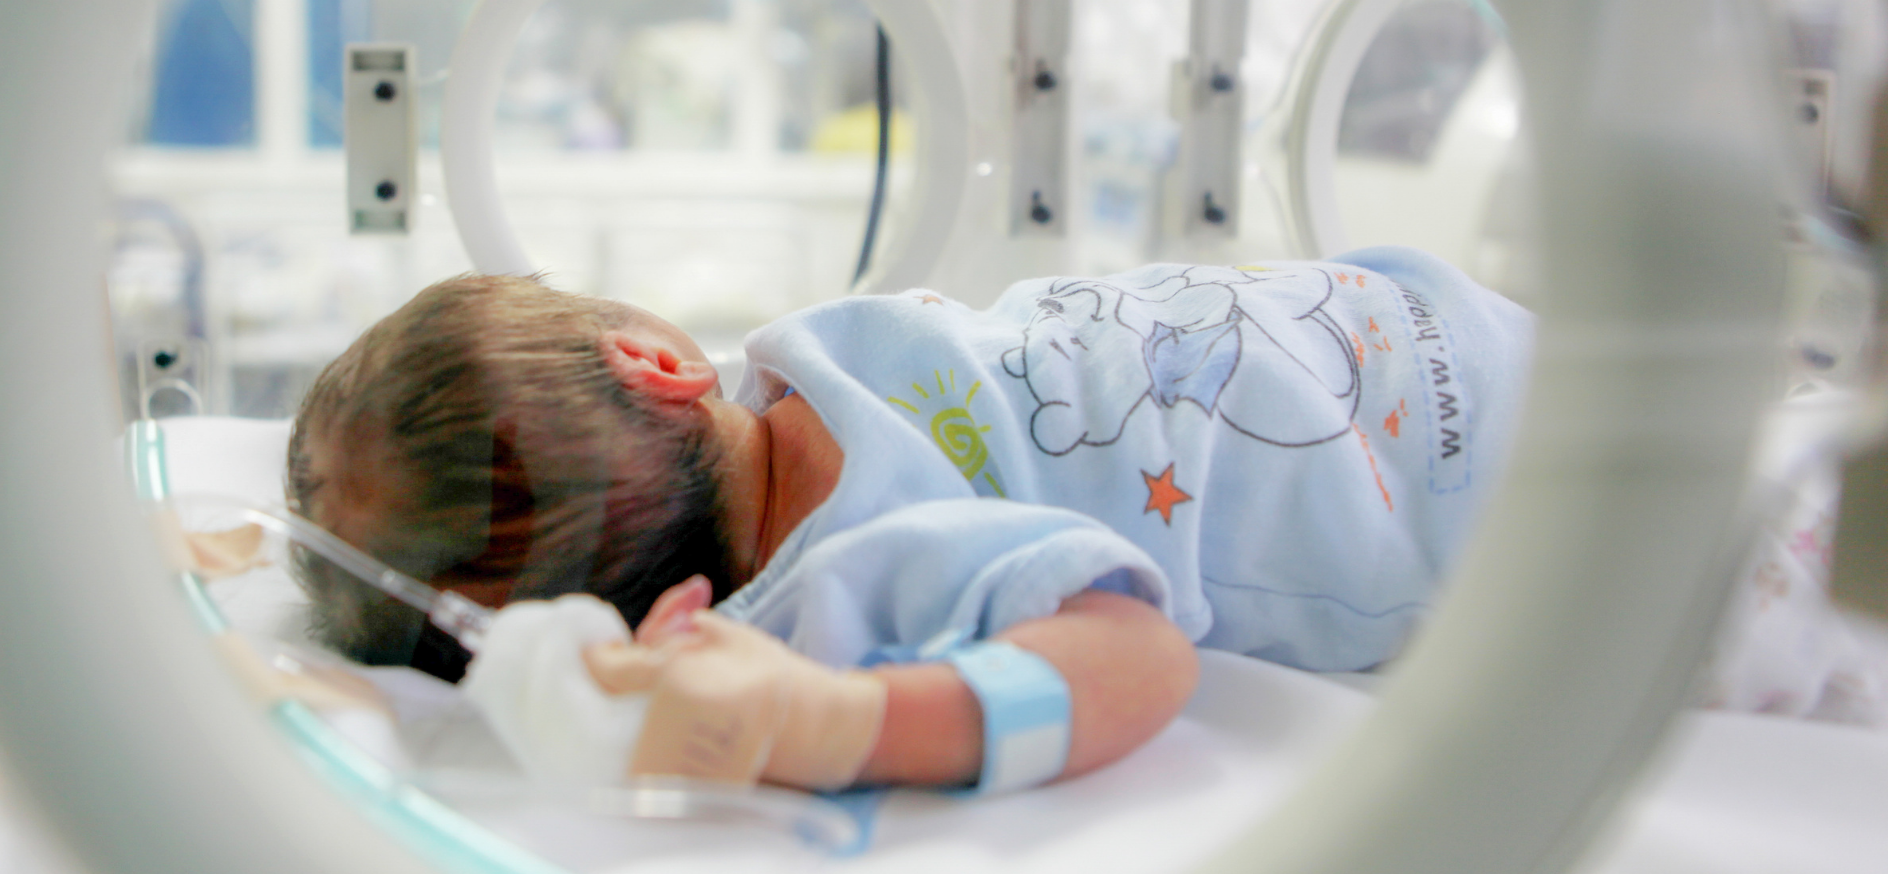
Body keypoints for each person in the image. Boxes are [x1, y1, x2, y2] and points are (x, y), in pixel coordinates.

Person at [285, 247, 1532, 791]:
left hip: (1422, 345)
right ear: (660, 364)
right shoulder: (866, 563)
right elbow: (1131, 658)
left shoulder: (811, 361)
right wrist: (842, 721)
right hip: (1496, 495)